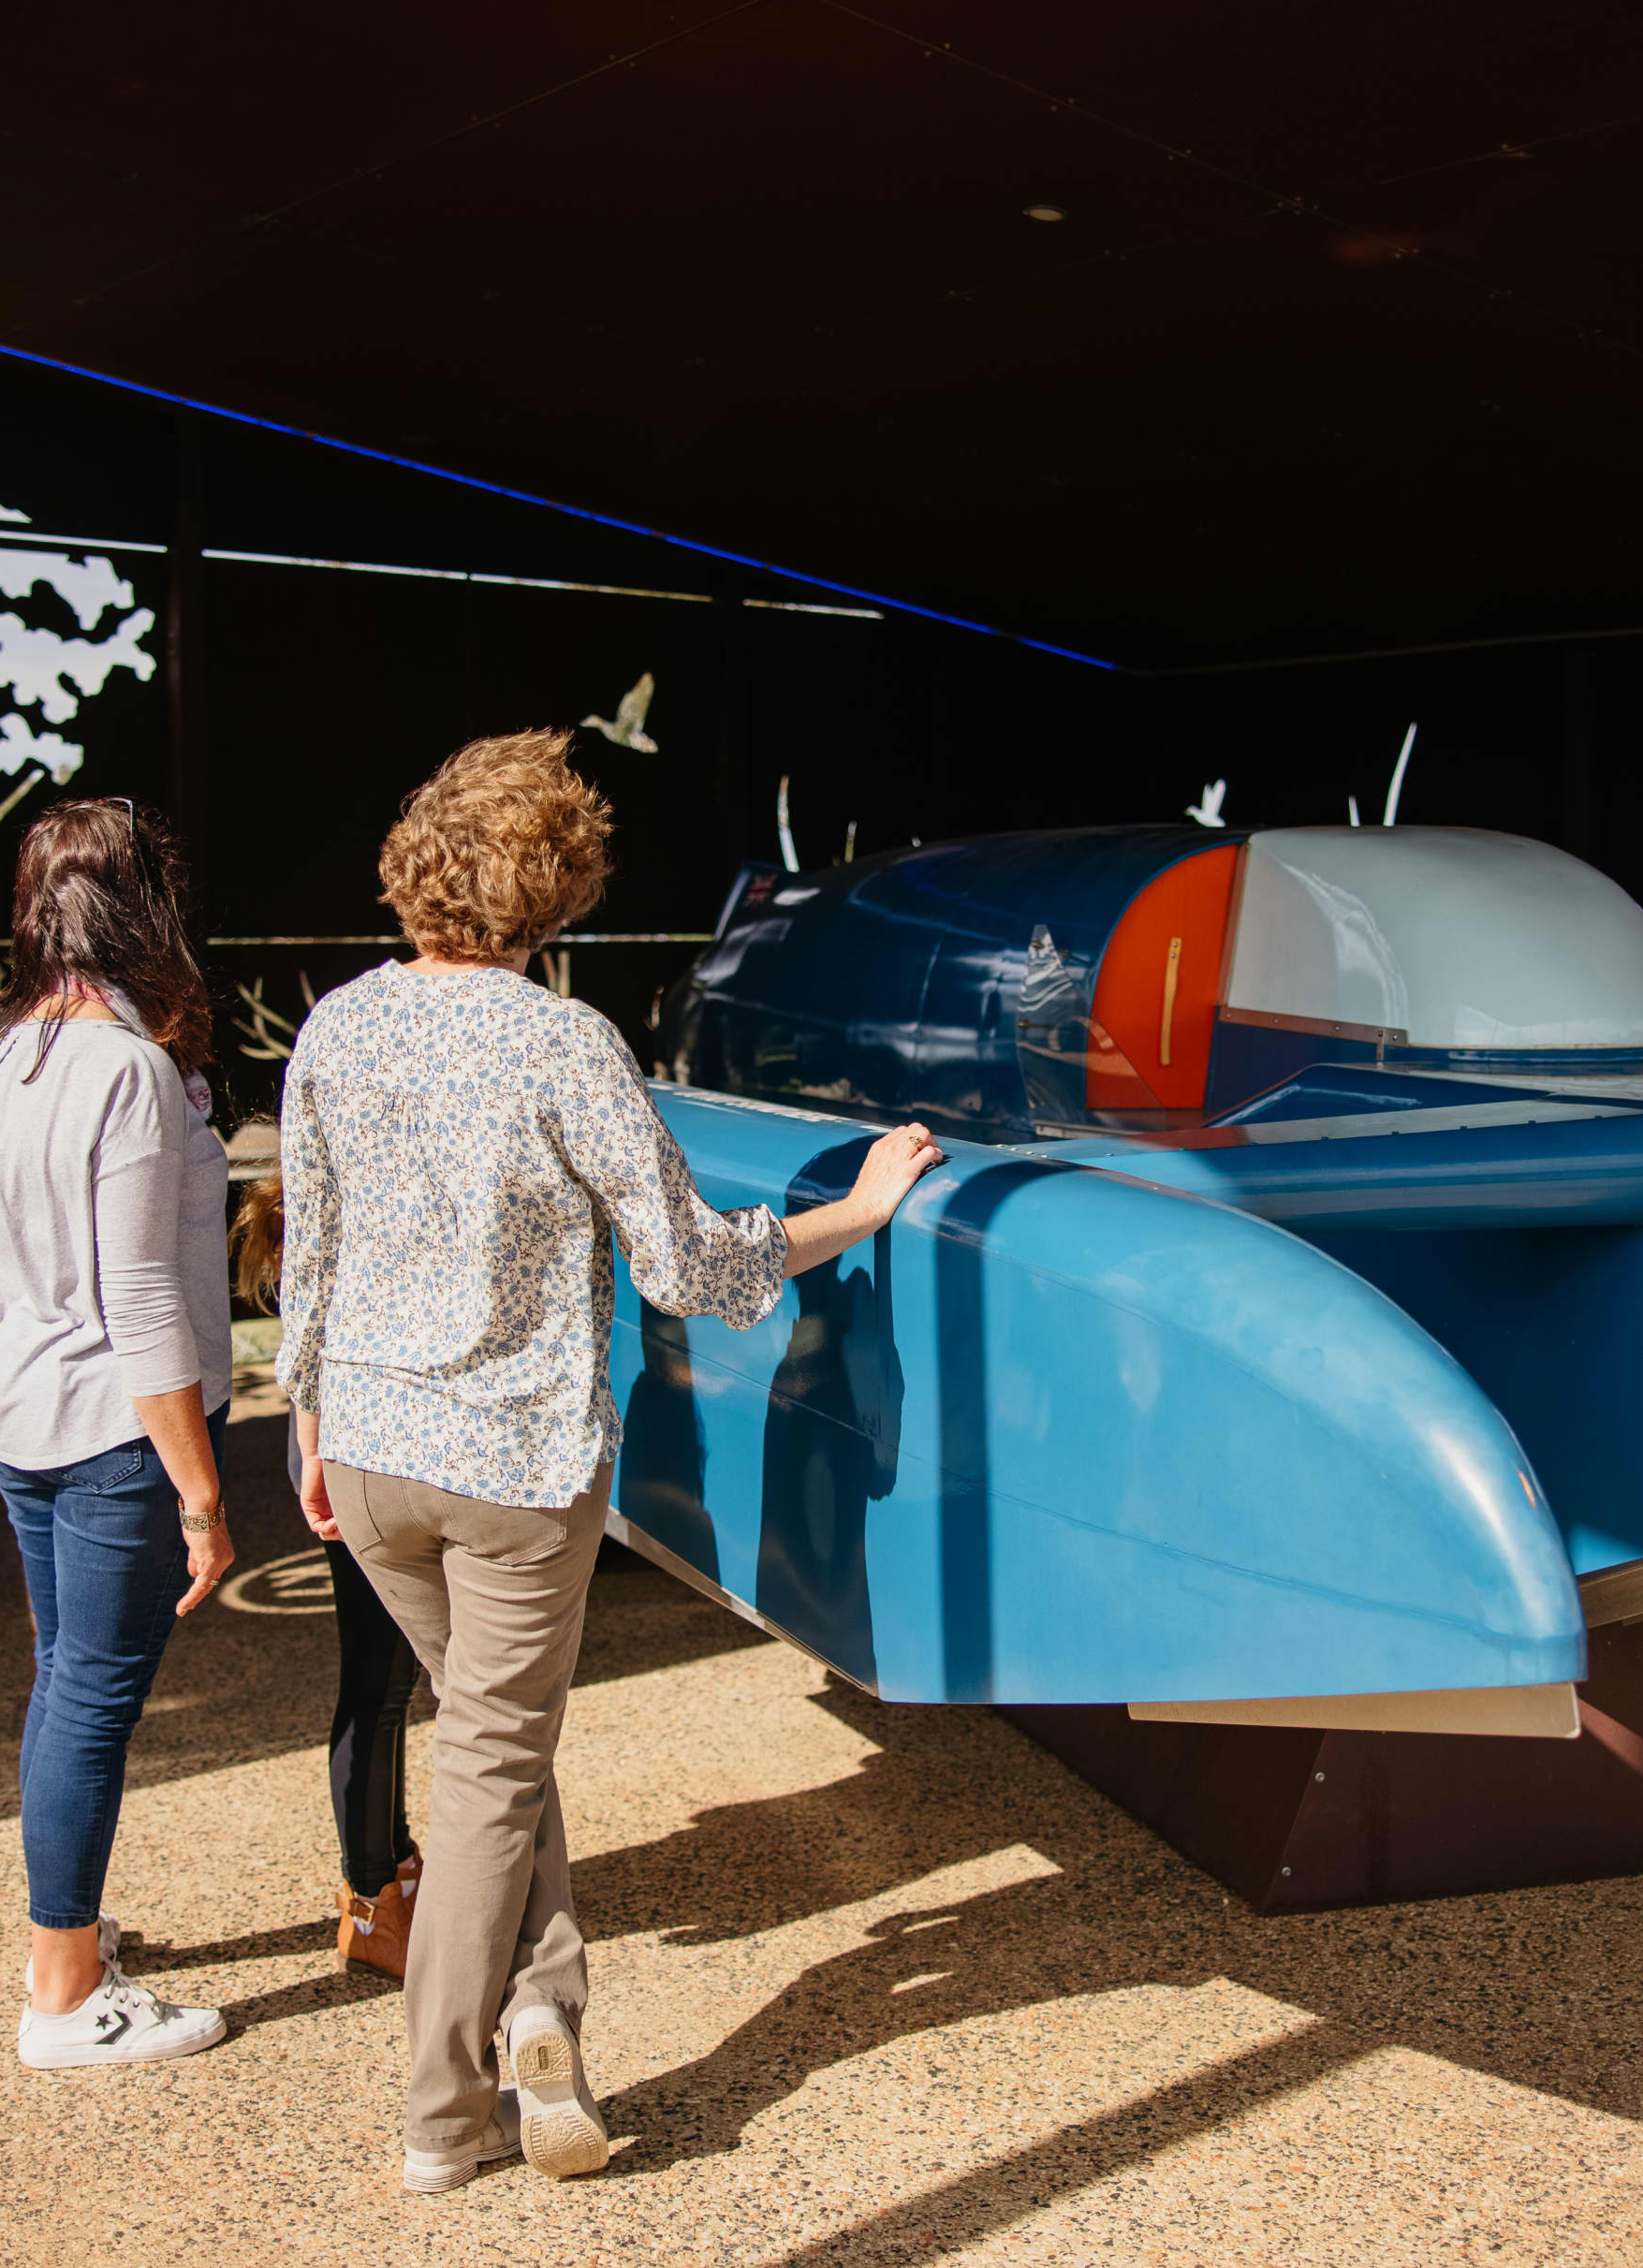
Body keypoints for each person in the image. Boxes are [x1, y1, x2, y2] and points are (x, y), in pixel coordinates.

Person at [278, 730, 944, 2192]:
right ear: (553, 893)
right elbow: (692, 1266)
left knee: (490, 1752)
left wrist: (306, 1426)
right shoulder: (560, 1043)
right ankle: (446, 2116)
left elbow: (307, 1258)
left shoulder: (336, 1028)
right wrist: (858, 1214)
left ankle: (544, 2003)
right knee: (491, 1766)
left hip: (375, 1461)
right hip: (516, 1470)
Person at [0, 797, 238, 2070]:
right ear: (145, 907)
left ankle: (71, 1934)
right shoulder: (129, 1070)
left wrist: (18, 1289)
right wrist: (200, 1492)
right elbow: (145, 1303)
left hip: (16, 1416)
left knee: (65, 1681)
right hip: (115, 1434)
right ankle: (62, 1990)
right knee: (91, 1697)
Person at [230, 1172, 425, 1977]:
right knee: (377, 1682)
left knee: (392, 1679)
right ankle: (370, 1902)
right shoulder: (348, 1186)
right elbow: (313, 1332)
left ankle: (393, 1860)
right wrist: (315, 1451)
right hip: (349, 1433)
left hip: (350, 1431)